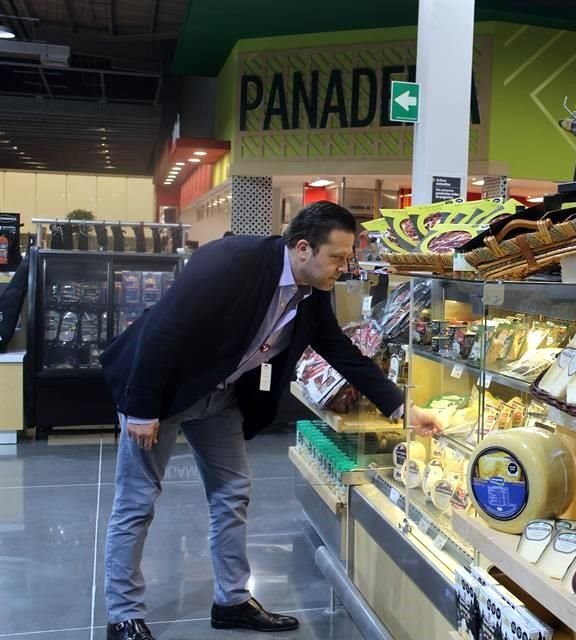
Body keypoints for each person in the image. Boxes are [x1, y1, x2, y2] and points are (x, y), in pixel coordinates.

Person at [99, 202, 442, 640]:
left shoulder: (312, 293)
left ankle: (233, 601)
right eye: (338, 257)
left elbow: (341, 353)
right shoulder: (232, 262)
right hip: (160, 391)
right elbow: (164, 328)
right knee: (137, 500)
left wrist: (403, 410)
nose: (346, 266)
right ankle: (123, 615)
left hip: (220, 397)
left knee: (232, 493)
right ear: (303, 248)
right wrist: (143, 408)